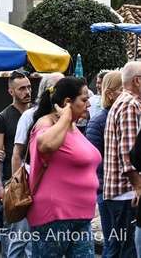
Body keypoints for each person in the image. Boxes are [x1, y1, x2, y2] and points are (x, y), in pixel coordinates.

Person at [27, 77, 101, 256]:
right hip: (55, 215)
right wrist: (66, 116)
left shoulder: (73, 127)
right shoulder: (47, 123)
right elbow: (46, 145)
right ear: (67, 102)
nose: (89, 104)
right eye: (84, 100)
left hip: (80, 216)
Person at [0, 70, 33, 258]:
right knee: (15, 234)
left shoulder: (36, 113)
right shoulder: (3, 117)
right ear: (11, 92)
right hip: (12, 180)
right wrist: (0, 186)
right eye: (22, 88)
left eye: (29, 87)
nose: (27, 92)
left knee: (32, 235)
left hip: (35, 179)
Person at [103, 61, 141, 257]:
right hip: (126, 193)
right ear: (138, 81)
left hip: (120, 192)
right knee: (128, 250)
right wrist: (139, 188)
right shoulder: (130, 105)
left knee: (118, 248)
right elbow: (129, 154)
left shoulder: (123, 102)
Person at [86, 70, 122, 256]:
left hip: (117, 190)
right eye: (122, 89)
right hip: (108, 191)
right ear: (110, 93)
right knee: (113, 243)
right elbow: (92, 160)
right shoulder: (99, 121)